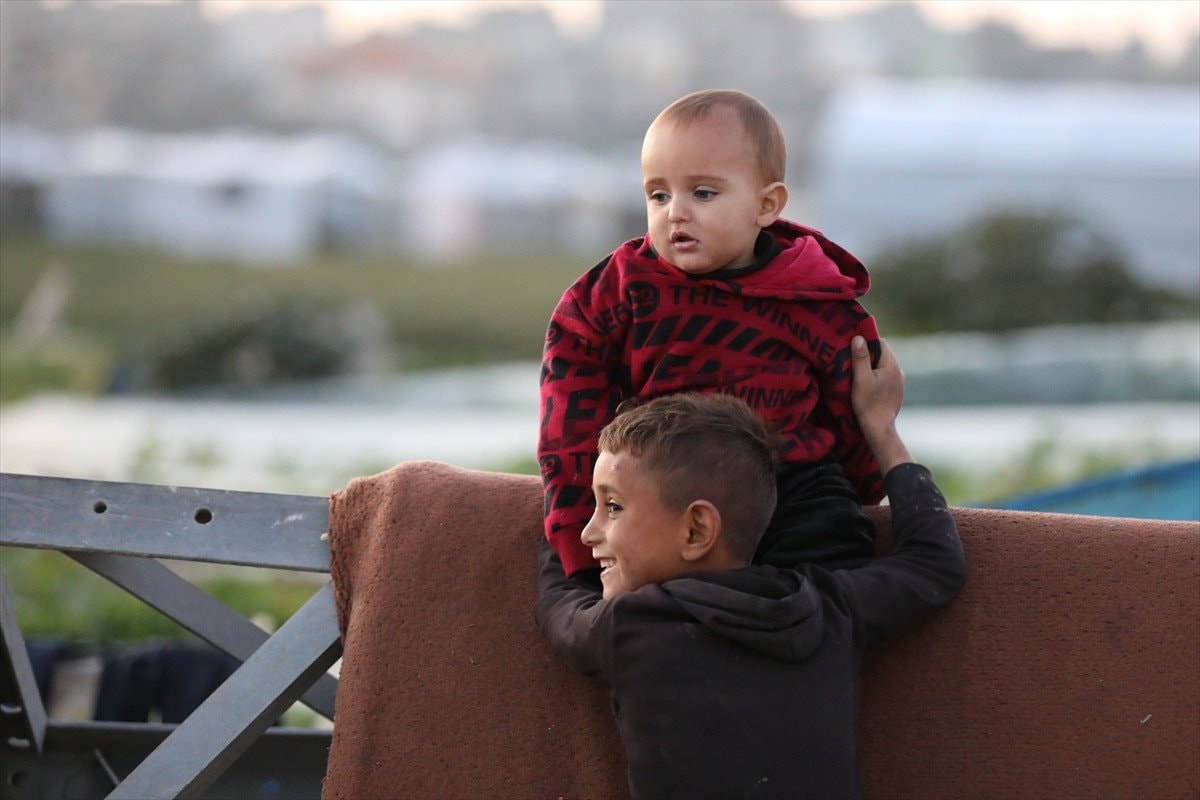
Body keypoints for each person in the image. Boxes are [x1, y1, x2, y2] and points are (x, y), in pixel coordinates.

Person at [535, 337, 966, 799]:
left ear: (697, 530)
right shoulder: (825, 607)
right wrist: (882, 429)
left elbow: (558, 603)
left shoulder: (628, 626)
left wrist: (558, 516)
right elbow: (933, 563)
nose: (589, 533)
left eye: (613, 507)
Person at [539, 88, 883, 581]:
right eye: (658, 195)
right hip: (666, 479)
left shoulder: (818, 299)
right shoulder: (617, 291)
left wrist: (864, 487)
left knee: (833, 555)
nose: (675, 212)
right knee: (643, 571)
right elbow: (568, 415)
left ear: (766, 204)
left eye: (702, 193)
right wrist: (575, 540)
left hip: (791, 481)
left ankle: (802, 618)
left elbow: (855, 413)